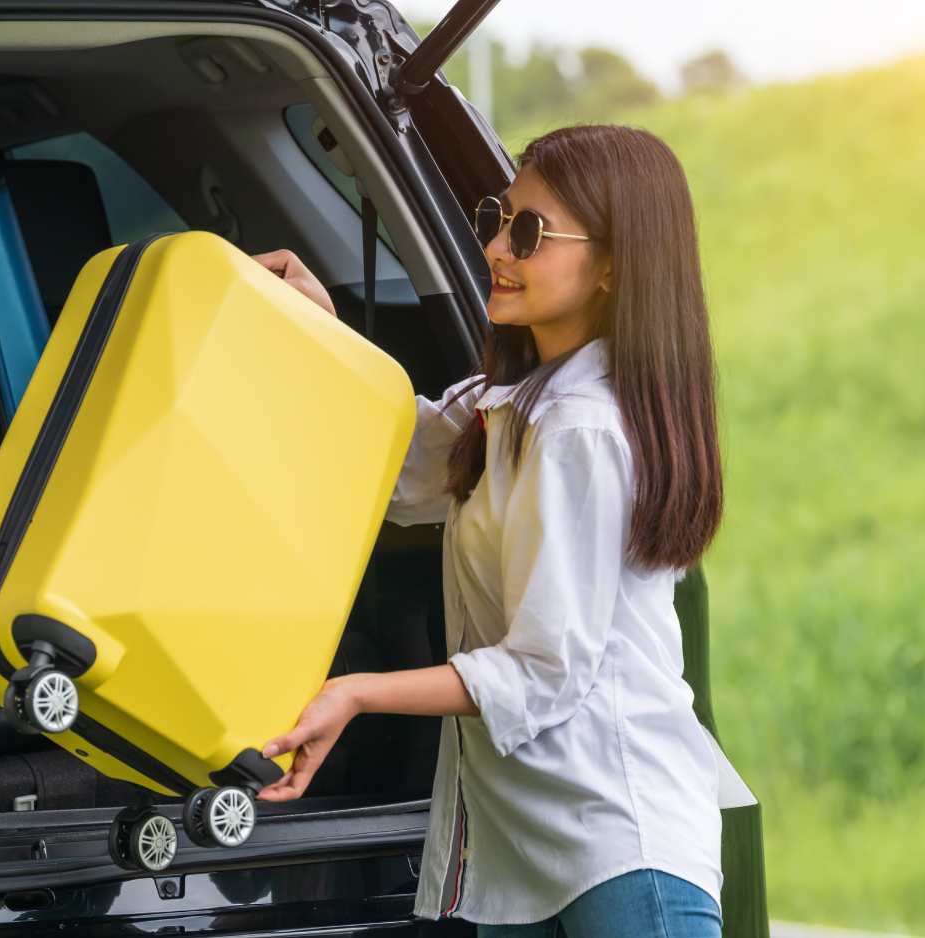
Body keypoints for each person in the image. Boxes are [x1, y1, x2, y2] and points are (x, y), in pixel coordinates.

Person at [249, 123, 725, 938]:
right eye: (495, 220)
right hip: (528, 855)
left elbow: (543, 672)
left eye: (529, 232)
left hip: (618, 849)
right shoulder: (504, 406)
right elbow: (387, 462)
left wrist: (356, 692)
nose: (497, 248)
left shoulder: (578, 427)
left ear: (613, 263)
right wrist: (316, 326)